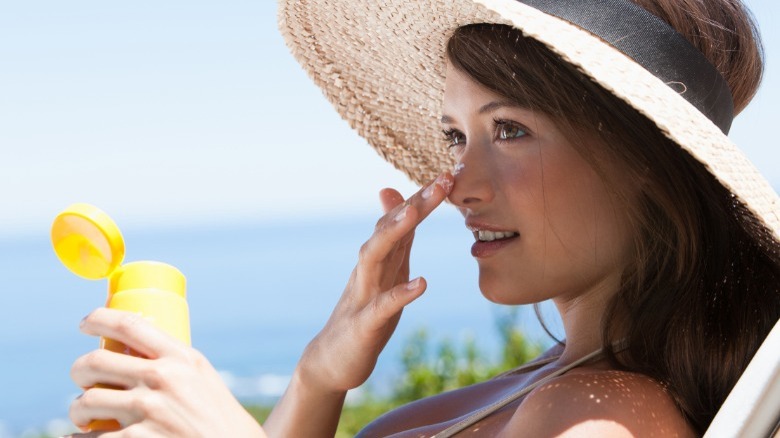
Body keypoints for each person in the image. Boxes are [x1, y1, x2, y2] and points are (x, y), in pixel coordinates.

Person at [67, 0, 780, 436]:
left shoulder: (610, 417)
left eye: (510, 130)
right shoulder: (557, 383)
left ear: (647, 163)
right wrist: (319, 378)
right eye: (455, 136)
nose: (458, 183)